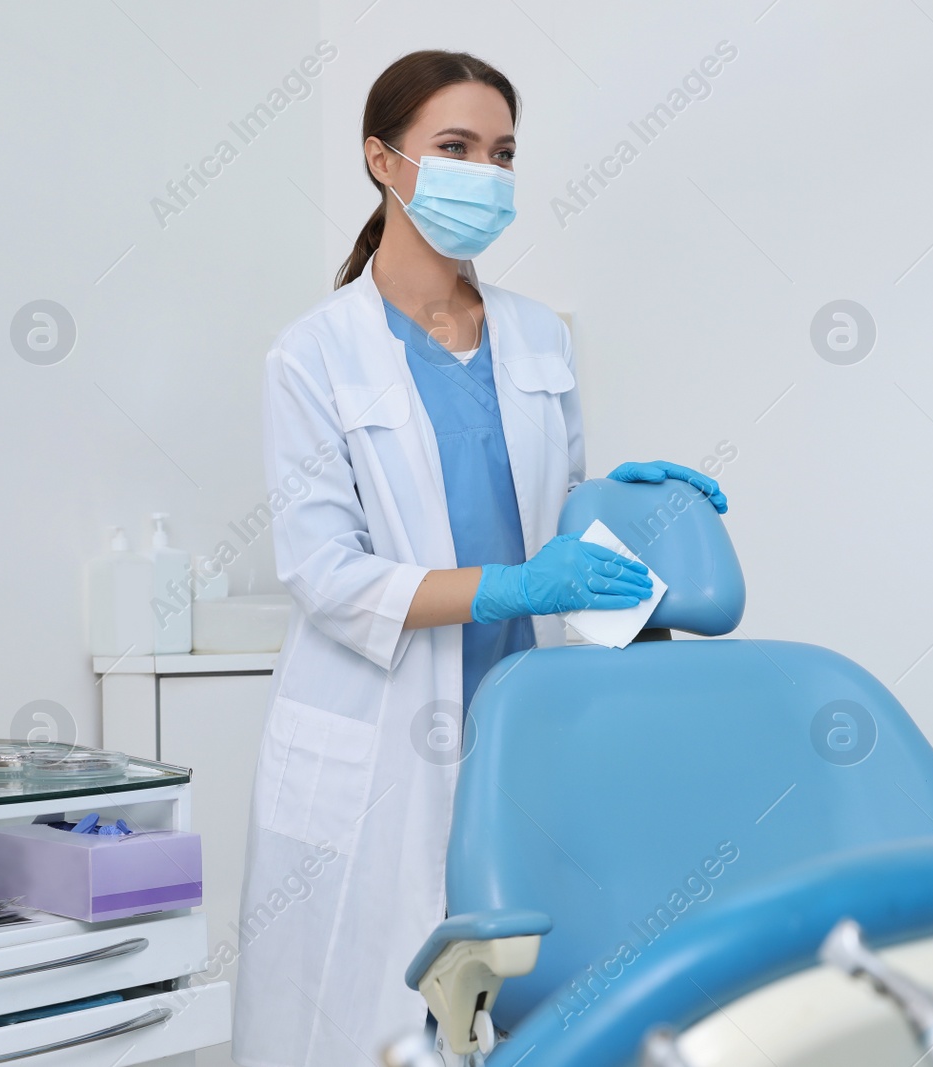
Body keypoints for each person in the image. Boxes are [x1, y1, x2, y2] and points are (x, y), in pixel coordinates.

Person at [232, 50, 727, 1066]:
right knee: (369, 1009)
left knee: (537, 989)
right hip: (380, 736)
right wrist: (508, 585)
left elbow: (559, 528)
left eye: (501, 153)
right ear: (383, 159)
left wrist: (632, 509)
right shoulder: (312, 354)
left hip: (526, 718)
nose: (485, 174)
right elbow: (325, 571)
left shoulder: (541, 338)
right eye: (454, 147)